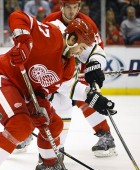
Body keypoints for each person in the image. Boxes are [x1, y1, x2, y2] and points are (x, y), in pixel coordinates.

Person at [0, 11, 115, 170]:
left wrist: (94, 98)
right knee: (21, 126)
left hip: (29, 92)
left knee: (54, 124)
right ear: (73, 38)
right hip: (2, 79)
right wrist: (24, 41)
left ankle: (49, 167)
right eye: (81, 47)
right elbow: (18, 16)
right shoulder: (51, 35)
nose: (80, 52)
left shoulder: (68, 66)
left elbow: (69, 87)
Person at [34, 0, 117, 157]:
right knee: (44, 101)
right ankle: (34, 136)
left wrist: (93, 66)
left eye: (74, 8)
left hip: (81, 68)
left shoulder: (87, 23)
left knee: (85, 97)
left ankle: (105, 134)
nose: (71, 12)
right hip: (56, 67)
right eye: (68, 8)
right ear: (61, 6)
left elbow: (96, 51)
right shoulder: (51, 21)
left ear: (79, 7)